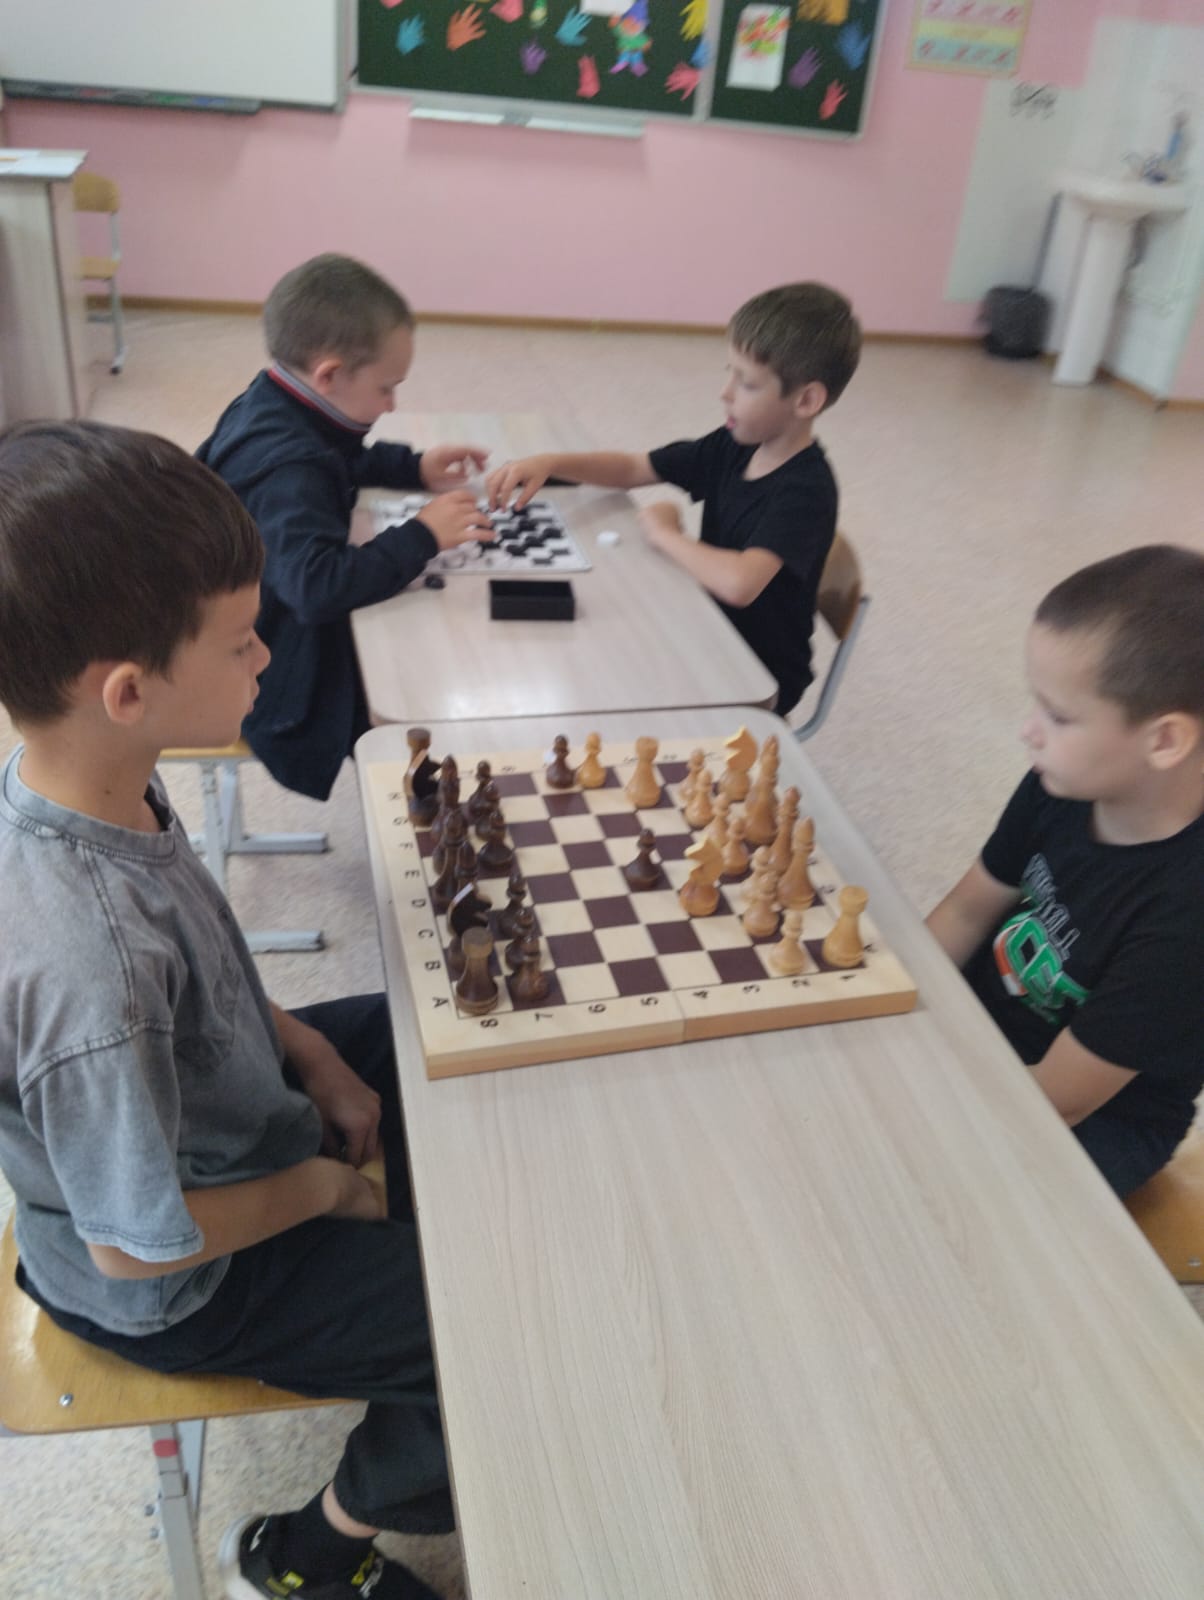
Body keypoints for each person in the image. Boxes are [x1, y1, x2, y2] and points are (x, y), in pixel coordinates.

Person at [0, 421, 451, 1600]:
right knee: (498, 1342)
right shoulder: (87, 969)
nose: (269, 652)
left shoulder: (97, 775)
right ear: (129, 690)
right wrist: (326, 1190)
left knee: (430, 1027)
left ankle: (416, 1217)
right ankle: (307, 1553)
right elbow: (133, 1244)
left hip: (220, 1113)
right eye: (243, 638)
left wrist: (309, 1053)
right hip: (179, 1281)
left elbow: (204, 949)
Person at [927, 546, 1204, 1197]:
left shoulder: (1187, 918)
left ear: (1164, 740)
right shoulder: (1061, 784)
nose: (1029, 731)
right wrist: (896, 1007)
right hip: (987, 1032)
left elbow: (1056, 1102)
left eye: (1058, 716)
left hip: (1094, 1119)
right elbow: (965, 913)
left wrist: (920, 1093)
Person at [485, 281, 862, 717]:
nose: (725, 392)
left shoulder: (806, 490)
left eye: (747, 383)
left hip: (755, 670)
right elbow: (634, 468)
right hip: (707, 625)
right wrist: (552, 462)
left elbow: (740, 584)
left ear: (806, 400)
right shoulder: (734, 445)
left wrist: (665, 533)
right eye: (730, 372)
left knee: (599, 676)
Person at [197, 252, 492, 802]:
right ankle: (418, 815)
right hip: (270, 670)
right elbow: (316, 588)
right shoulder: (288, 468)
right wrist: (423, 536)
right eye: (386, 387)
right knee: (418, 673)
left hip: (258, 618)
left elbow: (337, 456)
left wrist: (412, 467)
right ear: (329, 375)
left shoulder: (279, 400)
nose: (393, 403)